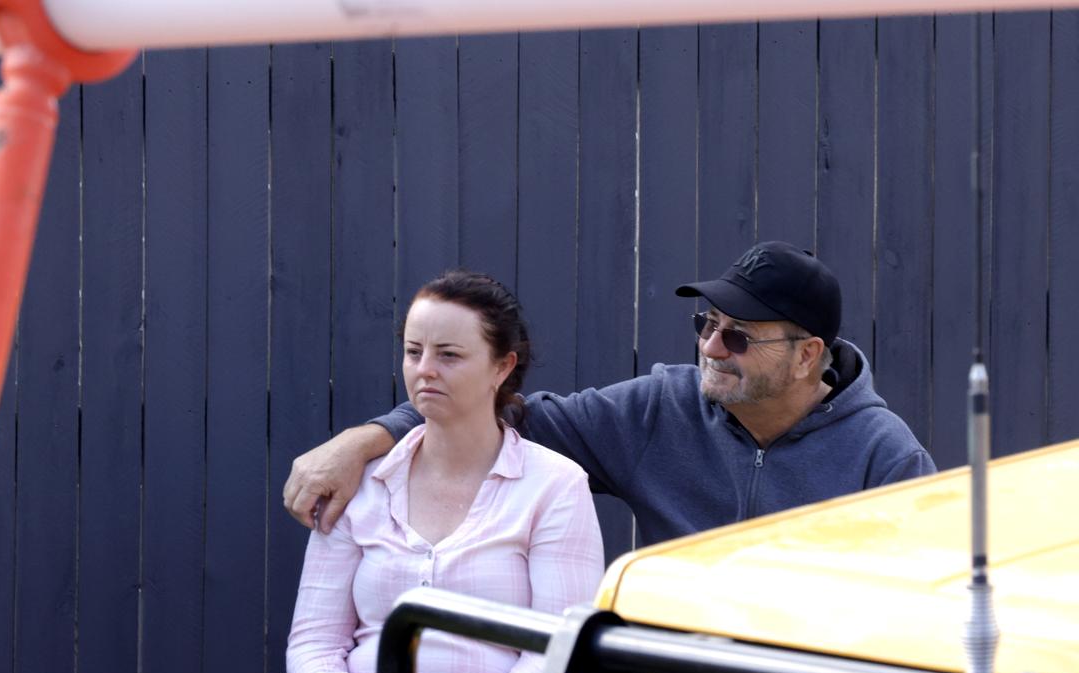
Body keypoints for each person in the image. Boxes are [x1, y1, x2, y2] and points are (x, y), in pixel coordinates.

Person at [283, 241, 936, 546]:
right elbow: (499, 416)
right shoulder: (661, 408)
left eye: (738, 338)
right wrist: (364, 440)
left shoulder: (885, 459)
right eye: (706, 325)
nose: (710, 348)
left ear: (807, 356)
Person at [286, 271, 605, 673]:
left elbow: (558, 648)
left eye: (449, 355)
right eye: (414, 352)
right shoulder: (360, 481)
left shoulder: (555, 485)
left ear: (503, 367)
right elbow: (314, 640)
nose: (425, 369)